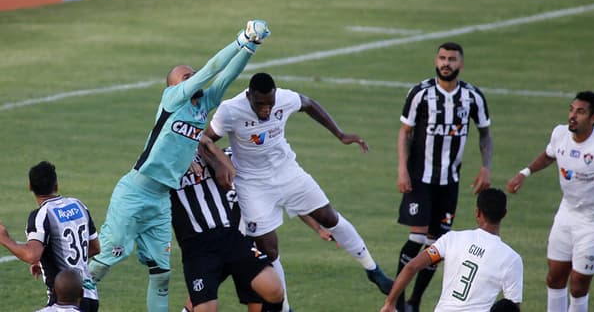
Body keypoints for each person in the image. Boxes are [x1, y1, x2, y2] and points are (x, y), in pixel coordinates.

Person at [87, 20, 271, 311]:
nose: (193, 76)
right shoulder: (172, 101)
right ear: (174, 87)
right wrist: (241, 38)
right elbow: (212, 69)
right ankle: (67, 302)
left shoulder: (202, 106)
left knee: (162, 276)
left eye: (192, 74)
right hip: (135, 192)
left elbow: (226, 77)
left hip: (160, 201)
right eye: (186, 75)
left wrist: (251, 47)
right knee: (105, 260)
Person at [198, 72, 394, 305]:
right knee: (268, 250)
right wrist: (218, 165)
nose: (266, 110)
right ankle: (285, 308)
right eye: (260, 105)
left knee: (329, 217)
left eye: (269, 104)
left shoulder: (284, 98)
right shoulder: (230, 110)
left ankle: (373, 270)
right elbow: (204, 142)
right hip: (252, 185)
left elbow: (309, 104)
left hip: (287, 171)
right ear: (249, 96)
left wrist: (340, 135)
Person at [506, 91, 594, 312]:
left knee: (578, 286)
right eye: (571, 109)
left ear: (593, 118)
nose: (572, 116)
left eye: (580, 112)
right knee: (554, 278)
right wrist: (525, 173)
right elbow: (550, 154)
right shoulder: (560, 134)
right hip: (567, 213)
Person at [395, 42, 493, 311]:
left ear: (461, 64)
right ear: (436, 61)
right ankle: (398, 300)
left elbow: (485, 133)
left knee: (436, 246)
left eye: (451, 59)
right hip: (419, 178)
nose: (446, 63)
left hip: (449, 181)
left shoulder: (472, 97)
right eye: (442, 58)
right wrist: (402, 169)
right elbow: (405, 132)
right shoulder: (421, 93)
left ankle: (414, 301)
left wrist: (486, 167)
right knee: (417, 238)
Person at [171, 150, 284, 312]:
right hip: (197, 247)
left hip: (230, 235)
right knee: (204, 308)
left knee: (273, 289)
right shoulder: (160, 161)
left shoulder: (208, 152)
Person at [380, 188, 523, 312]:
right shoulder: (511, 259)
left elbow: (412, 266)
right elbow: (511, 307)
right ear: (504, 213)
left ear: (477, 212)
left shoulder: (452, 239)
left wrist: (390, 303)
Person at [0, 161, 100, 312]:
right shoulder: (78, 205)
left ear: (30, 186)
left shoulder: (42, 214)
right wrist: (47, 264)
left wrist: (4, 238)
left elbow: (32, 255)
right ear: (56, 185)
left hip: (64, 300)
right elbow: (94, 248)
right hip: (90, 296)